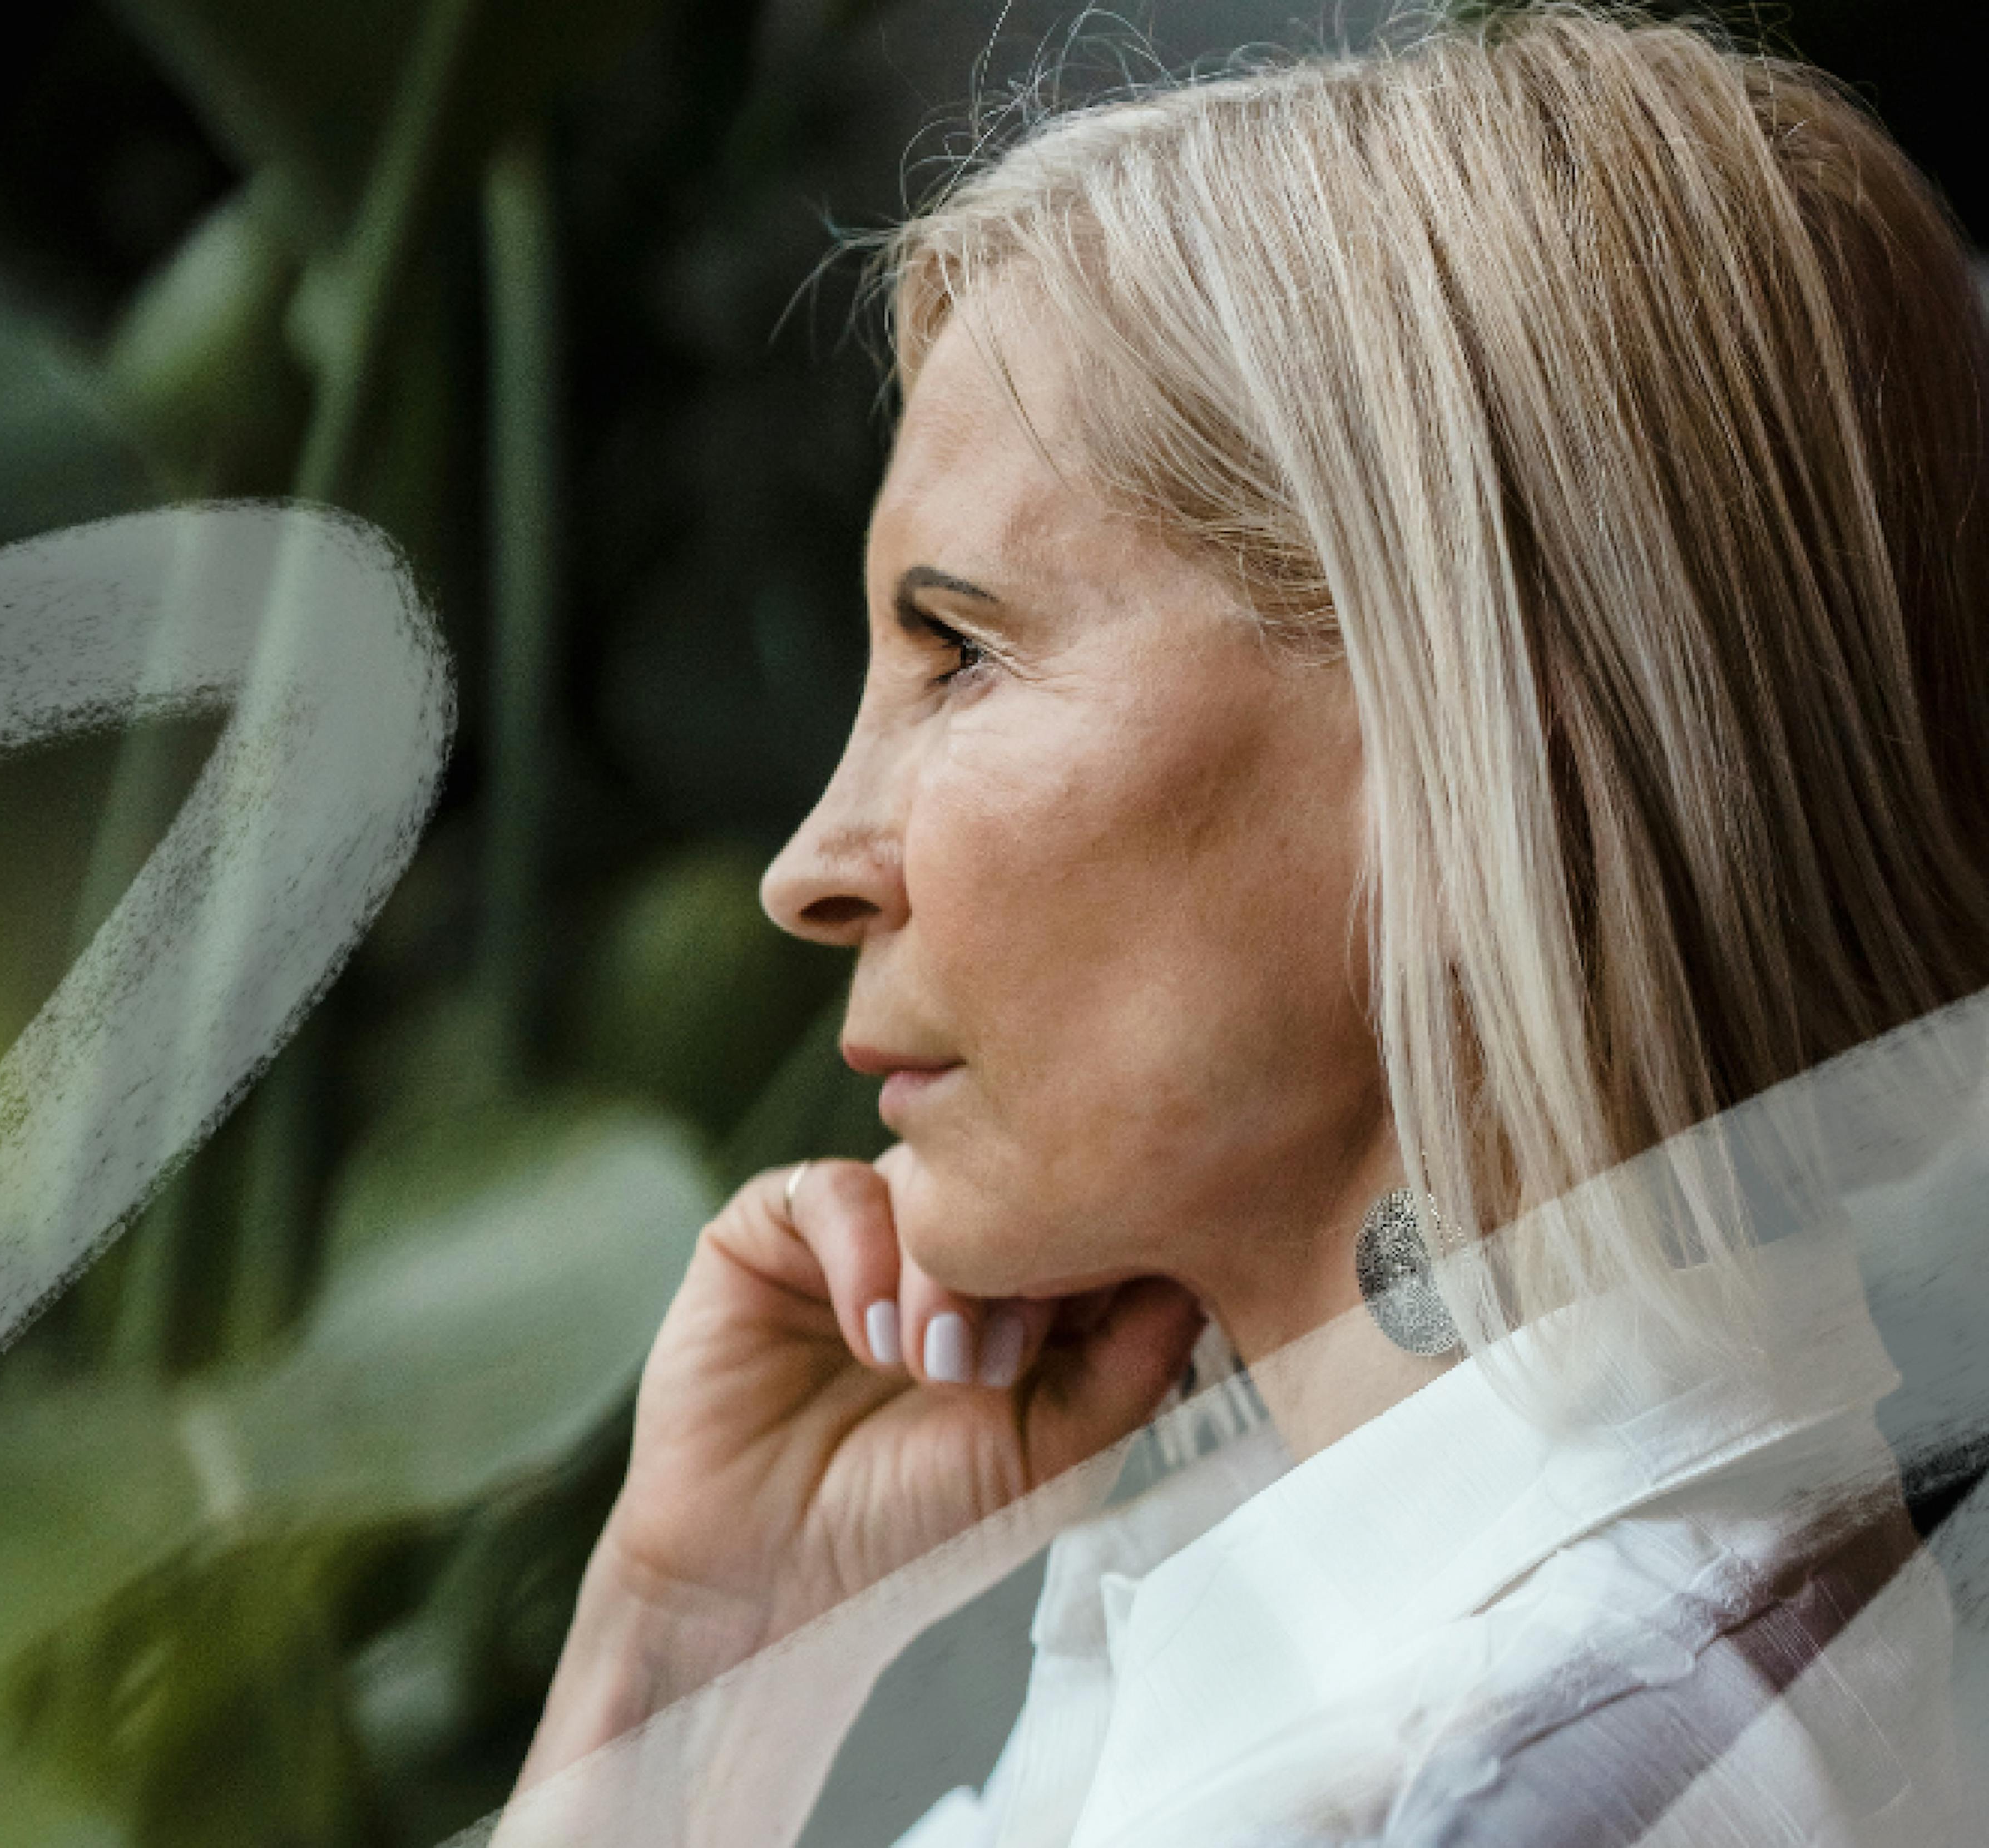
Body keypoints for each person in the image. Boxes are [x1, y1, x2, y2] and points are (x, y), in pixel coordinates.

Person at [497, 9, 1989, 1844]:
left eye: (961, 653)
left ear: (1471, 759)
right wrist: (703, 1651)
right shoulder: (1386, 1659)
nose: (810, 862)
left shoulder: (1533, 1782)